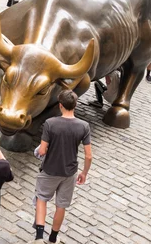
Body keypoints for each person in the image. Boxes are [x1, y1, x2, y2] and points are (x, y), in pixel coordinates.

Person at [31, 90, 92, 244]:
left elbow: (43, 150)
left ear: (60, 105)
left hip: (50, 170)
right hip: (69, 172)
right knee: (61, 205)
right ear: (75, 105)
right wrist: (84, 172)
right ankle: (52, 239)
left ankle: (39, 237)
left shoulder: (50, 123)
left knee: (41, 199)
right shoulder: (84, 126)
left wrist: (38, 151)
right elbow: (89, 155)